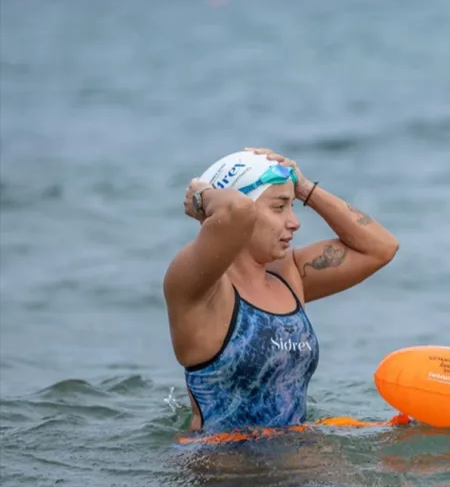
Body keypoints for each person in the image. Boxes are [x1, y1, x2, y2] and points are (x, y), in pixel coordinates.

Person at [162, 147, 400, 435]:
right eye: (279, 207)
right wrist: (202, 197)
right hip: (224, 469)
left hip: (294, 456)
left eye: (292, 206)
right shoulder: (198, 289)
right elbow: (235, 211)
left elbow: (381, 248)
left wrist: (306, 189)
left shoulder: (290, 274)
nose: (294, 222)